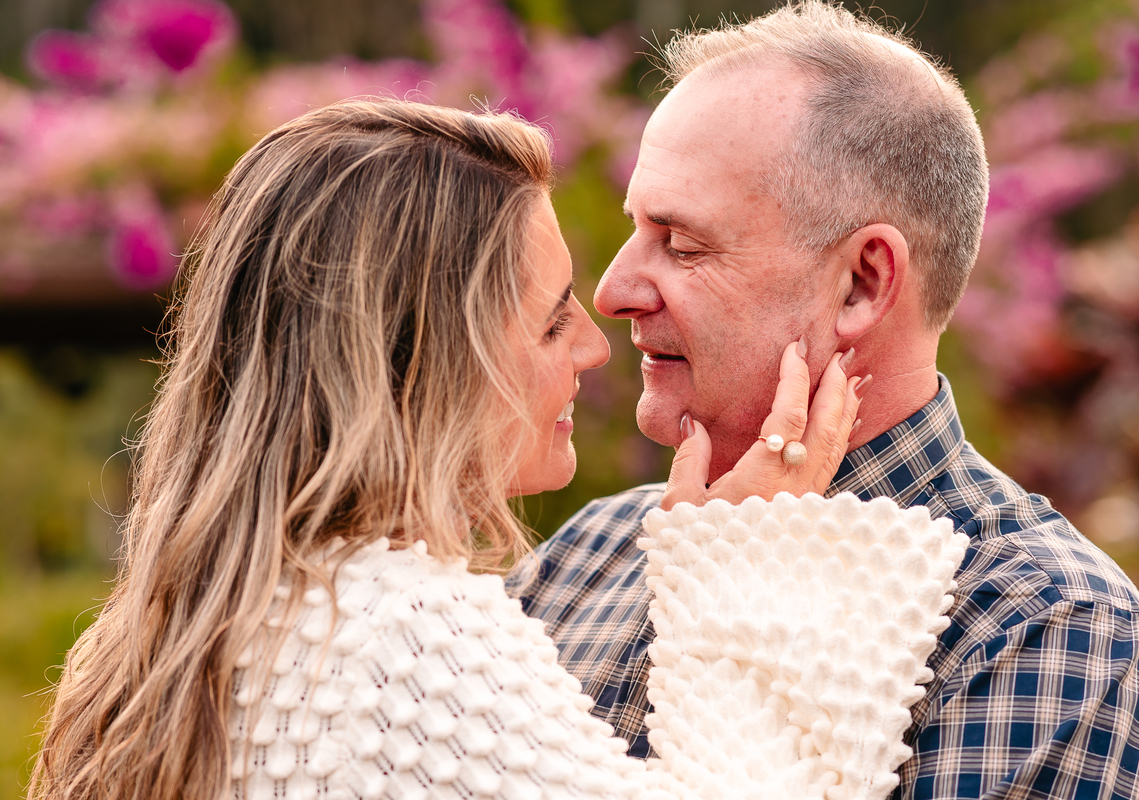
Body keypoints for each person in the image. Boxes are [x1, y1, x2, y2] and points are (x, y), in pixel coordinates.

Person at [29, 98, 967, 800]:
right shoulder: (401, 641)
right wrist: (748, 560)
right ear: (429, 351)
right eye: (553, 317)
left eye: (680, 243)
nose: (596, 344)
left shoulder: (153, 649)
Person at [509, 4, 1139, 799]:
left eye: (684, 244)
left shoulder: (1045, 634)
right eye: (636, 231)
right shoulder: (585, 560)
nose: (614, 290)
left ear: (863, 284)